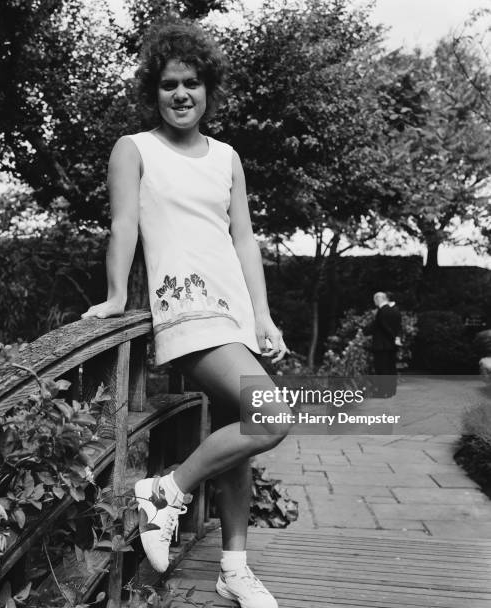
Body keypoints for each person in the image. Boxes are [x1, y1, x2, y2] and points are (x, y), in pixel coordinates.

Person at [82, 22, 290, 608]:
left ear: (207, 89)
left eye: (191, 83)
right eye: (169, 84)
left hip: (233, 310)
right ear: (155, 90)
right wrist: (117, 295)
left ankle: (234, 567)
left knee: (244, 432)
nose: (181, 94)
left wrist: (264, 318)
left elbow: (244, 239)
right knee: (271, 416)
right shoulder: (135, 149)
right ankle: (164, 490)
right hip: (183, 307)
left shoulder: (227, 157)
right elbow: (124, 225)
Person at [366, 292, 402, 397]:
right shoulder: (395, 310)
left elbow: (382, 327)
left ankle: (382, 392)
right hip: (392, 345)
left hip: (381, 345)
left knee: (381, 369)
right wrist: (397, 338)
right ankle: (391, 390)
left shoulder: (382, 311)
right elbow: (398, 326)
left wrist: (393, 336)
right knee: (391, 368)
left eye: (375, 301)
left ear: (378, 299)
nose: (375, 303)